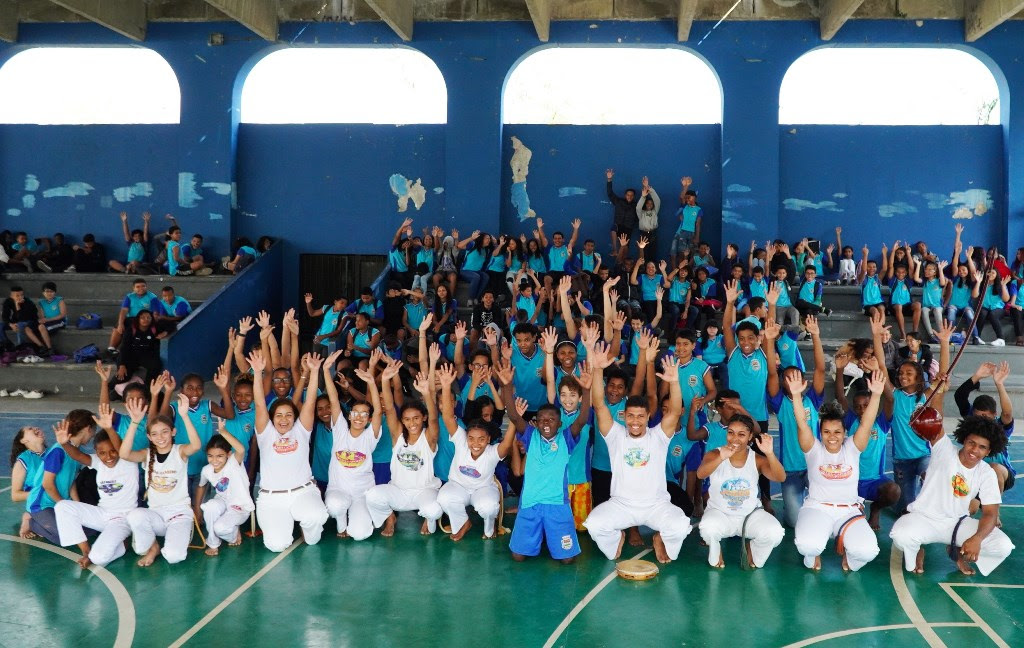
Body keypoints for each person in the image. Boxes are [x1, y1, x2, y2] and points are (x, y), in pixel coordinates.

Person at [583, 342, 691, 564]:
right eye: (630, 416)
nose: (634, 421)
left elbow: (673, 413)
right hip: (622, 505)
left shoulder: (658, 436)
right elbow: (599, 405)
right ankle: (618, 537)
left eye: (640, 416)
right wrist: (598, 369)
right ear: (624, 415)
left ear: (649, 416)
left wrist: (674, 382)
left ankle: (660, 537)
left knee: (681, 526)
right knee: (594, 525)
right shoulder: (615, 436)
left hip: (656, 505)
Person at [890, 416, 1015, 576]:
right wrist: (940, 391)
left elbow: (991, 513)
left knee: (1002, 546)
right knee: (901, 535)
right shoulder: (945, 451)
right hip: (924, 519)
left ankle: (957, 551)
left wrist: (976, 539)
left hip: (957, 523)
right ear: (964, 440)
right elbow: (937, 419)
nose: (975, 450)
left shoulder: (987, 473)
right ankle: (918, 549)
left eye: (982, 447)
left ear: (988, 451)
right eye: (971, 443)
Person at [789, 371, 884, 572]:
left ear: (845, 433)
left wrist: (876, 395)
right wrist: (797, 396)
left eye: (837, 432)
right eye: (827, 432)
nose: (832, 437)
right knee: (808, 546)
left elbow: (866, 423)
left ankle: (849, 557)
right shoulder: (813, 449)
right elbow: (802, 424)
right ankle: (813, 554)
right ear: (820, 433)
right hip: (818, 508)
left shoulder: (852, 447)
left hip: (848, 510)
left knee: (868, 552)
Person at [248, 351, 330, 552]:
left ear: (295, 418)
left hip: (303, 492)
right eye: (279, 416)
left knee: (315, 521)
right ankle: (287, 524)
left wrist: (314, 371)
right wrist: (258, 373)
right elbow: (259, 403)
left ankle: (306, 527)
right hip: (271, 498)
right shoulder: (266, 434)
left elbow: (310, 403)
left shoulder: (301, 431)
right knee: (276, 546)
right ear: (272, 418)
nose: (283, 420)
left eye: (288, 415)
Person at [871, 312, 952, 514]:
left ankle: (934, 505)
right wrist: (875, 336)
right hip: (902, 460)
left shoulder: (926, 396)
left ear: (918, 377)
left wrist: (944, 343)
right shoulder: (894, 396)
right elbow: (881, 366)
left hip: (924, 455)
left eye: (909, 373)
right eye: (900, 373)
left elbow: (943, 375)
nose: (903, 376)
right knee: (904, 511)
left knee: (930, 476)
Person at [437, 363, 519, 540]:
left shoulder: (492, 451)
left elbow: (507, 442)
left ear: (488, 439)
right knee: (443, 498)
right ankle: (463, 523)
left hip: (483, 489)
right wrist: (445, 386)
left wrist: (514, 419)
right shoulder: (460, 441)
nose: (475, 443)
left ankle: (489, 529)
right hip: (458, 486)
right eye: (472, 438)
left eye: (481, 439)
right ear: (466, 437)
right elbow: (447, 417)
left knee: (489, 507)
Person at [119, 394, 201, 566]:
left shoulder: (180, 452)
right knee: (135, 516)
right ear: (149, 437)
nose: (160, 437)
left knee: (174, 557)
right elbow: (124, 454)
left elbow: (196, 445)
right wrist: (134, 423)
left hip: (179, 513)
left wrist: (185, 416)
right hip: (156, 515)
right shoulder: (146, 455)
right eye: (154, 434)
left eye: (165, 432)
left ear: (173, 432)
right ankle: (154, 547)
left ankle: (179, 536)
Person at [365, 356, 443, 536]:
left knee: (433, 510)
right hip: (399, 491)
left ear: (422, 418)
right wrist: (385, 380)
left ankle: (427, 518)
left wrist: (425, 393)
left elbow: (433, 417)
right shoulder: (398, 437)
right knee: (372, 495)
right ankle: (390, 517)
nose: (412, 423)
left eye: (416, 418)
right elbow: (390, 409)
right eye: (407, 419)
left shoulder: (429, 438)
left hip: (424, 491)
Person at [54, 403, 139, 568]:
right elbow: (78, 455)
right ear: (96, 452)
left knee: (100, 558)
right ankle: (86, 551)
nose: (108, 457)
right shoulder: (98, 462)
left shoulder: (128, 462)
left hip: (122, 518)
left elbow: (120, 448)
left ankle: (124, 542)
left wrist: (109, 429)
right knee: (63, 507)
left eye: (113, 451)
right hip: (102, 514)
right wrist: (65, 443)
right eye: (102, 453)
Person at [696, 413, 785, 569]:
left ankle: (753, 549)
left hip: (749, 515)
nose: (734, 438)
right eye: (731, 432)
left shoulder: (757, 459)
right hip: (720, 514)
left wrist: (770, 453)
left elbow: (780, 477)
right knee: (708, 529)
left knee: (775, 533)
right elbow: (700, 474)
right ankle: (716, 551)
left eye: (741, 434)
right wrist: (721, 457)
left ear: (750, 436)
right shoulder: (715, 454)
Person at [765, 315, 826, 528]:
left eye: (796, 376)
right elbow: (772, 372)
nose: (792, 380)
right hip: (790, 470)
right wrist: (770, 340)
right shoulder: (780, 403)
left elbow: (820, 369)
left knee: (824, 512)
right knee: (793, 522)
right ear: (783, 384)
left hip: (815, 466)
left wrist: (816, 335)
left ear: (803, 381)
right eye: (787, 378)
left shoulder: (813, 400)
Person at [322, 352, 382, 541]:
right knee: (334, 505)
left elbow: (378, 411)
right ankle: (341, 522)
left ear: (369, 420)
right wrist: (325, 370)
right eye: (355, 413)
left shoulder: (370, 437)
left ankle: (359, 520)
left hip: (361, 493)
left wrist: (372, 382)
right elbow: (333, 400)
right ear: (349, 416)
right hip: (337, 490)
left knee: (360, 534)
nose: (359, 417)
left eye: (364, 414)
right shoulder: (339, 430)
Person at [22, 410, 95, 542]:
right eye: (93, 430)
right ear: (88, 429)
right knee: (65, 537)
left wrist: (78, 505)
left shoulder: (78, 453)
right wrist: (64, 504)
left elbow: (71, 480)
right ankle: (31, 521)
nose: (93, 435)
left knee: (90, 529)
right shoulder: (58, 451)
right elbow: (47, 484)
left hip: (60, 502)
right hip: (42, 504)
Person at [194, 420, 254, 556]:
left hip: (239, 506)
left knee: (220, 528)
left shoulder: (234, 462)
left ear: (228, 454)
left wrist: (223, 432)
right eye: (210, 456)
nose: (214, 460)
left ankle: (234, 534)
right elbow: (201, 486)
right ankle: (213, 544)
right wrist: (197, 508)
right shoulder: (207, 470)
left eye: (220, 456)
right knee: (209, 507)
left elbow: (241, 449)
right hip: (222, 502)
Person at [107, 279, 160, 357]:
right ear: (133, 288)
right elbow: (124, 310)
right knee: (119, 325)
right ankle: (111, 348)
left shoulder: (152, 297)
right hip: (131, 319)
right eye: (138, 287)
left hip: (145, 320)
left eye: (143, 286)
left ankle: (124, 351)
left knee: (130, 329)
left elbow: (155, 314)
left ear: (146, 287)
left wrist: (152, 324)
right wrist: (121, 324)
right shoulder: (129, 296)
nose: (141, 288)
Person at [2, 285, 53, 355]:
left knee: (20, 325)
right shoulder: (7, 301)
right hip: (16, 322)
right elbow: (5, 317)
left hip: (29, 321)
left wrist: (17, 305)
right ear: (11, 296)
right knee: (1, 325)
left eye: (22, 295)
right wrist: (11, 324)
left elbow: (22, 319)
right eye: (17, 296)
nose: (20, 297)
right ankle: (7, 344)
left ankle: (21, 347)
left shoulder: (28, 302)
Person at [671, 176, 701, 268]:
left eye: (689, 197)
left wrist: (697, 237)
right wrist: (686, 186)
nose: (687, 199)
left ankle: (686, 273)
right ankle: (678, 272)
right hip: (682, 232)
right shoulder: (685, 206)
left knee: (688, 255)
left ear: (695, 198)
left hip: (691, 233)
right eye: (686, 198)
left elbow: (698, 224)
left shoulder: (698, 209)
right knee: (680, 253)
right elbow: (681, 197)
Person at [606, 168, 638, 253]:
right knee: (613, 229)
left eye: (631, 195)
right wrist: (609, 179)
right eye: (628, 195)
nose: (629, 197)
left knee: (625, 247)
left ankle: (622, 260)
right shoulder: (619, 201)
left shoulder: (637, 205)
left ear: (634, 196)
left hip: (628, 227)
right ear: (625, 195)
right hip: (618, 224)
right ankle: (615, 250)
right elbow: (610, 193)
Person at [636, 177, 661, 255]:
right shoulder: (641, 213)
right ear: (645, 204)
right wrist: (643, 197)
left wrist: (648, 188)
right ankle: (643, 267)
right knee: (643, 252)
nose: (649, 205)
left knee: (652, 252)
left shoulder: (655, 212)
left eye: (651, 203)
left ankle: (652, 266)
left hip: (653, 234)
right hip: (643, 234)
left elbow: (657, 200)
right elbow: (638, 207)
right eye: (647, 203)